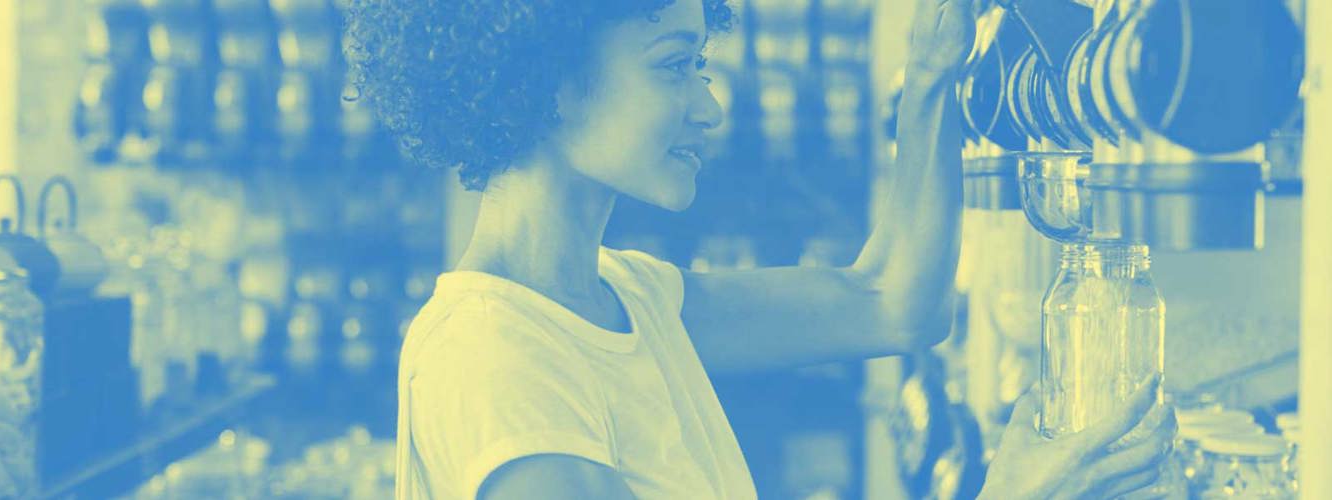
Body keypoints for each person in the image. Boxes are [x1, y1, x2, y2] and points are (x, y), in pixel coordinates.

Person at [345, 0, 1174, 498]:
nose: (710, 106)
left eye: (702, 62)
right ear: (547, 80)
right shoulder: (496, 359)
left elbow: (891, 301)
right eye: (676, 67)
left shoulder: (628, 300)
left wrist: (931, 78)